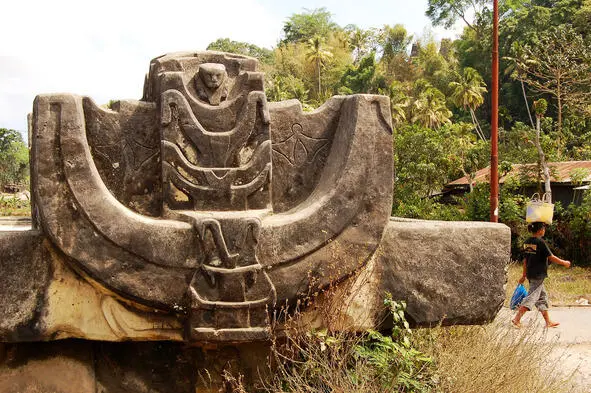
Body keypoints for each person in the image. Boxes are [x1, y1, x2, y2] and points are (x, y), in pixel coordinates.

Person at [512, 222, 571, 328]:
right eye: (543, 228)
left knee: (542, 297)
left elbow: (525, 260)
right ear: (540, 230)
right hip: (538, 274)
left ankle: (548, 322)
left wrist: (524, 275)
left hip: (531, 274)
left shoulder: (527, 242)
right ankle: (517, 319)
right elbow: (551, 257)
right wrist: (564, 263)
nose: (544, 230)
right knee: (532, 297)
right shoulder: (540, 242)